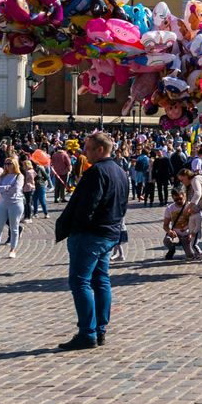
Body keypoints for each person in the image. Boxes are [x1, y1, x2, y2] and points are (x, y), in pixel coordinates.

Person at [54, 132, 129, 351]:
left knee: (80, 281)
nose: (84, 152)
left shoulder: (96, 172)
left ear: (100, 149)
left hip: (91, 234)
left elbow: (88, 205)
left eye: (88, 148)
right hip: (109, 232)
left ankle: (88, 332)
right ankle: (99, 329)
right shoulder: (120, 171)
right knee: (101, 280)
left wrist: (76, 229)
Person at [0, 150, 24, 259]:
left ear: (14, 164)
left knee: (14, 227)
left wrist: (3, 188)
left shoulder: (19, 176)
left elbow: (16, 189)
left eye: (9, 163)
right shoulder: (2, 176)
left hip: (15, 203)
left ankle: (13, 249)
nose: (7, 165)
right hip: (2, 203)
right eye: (6, 163)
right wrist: (7, 187)